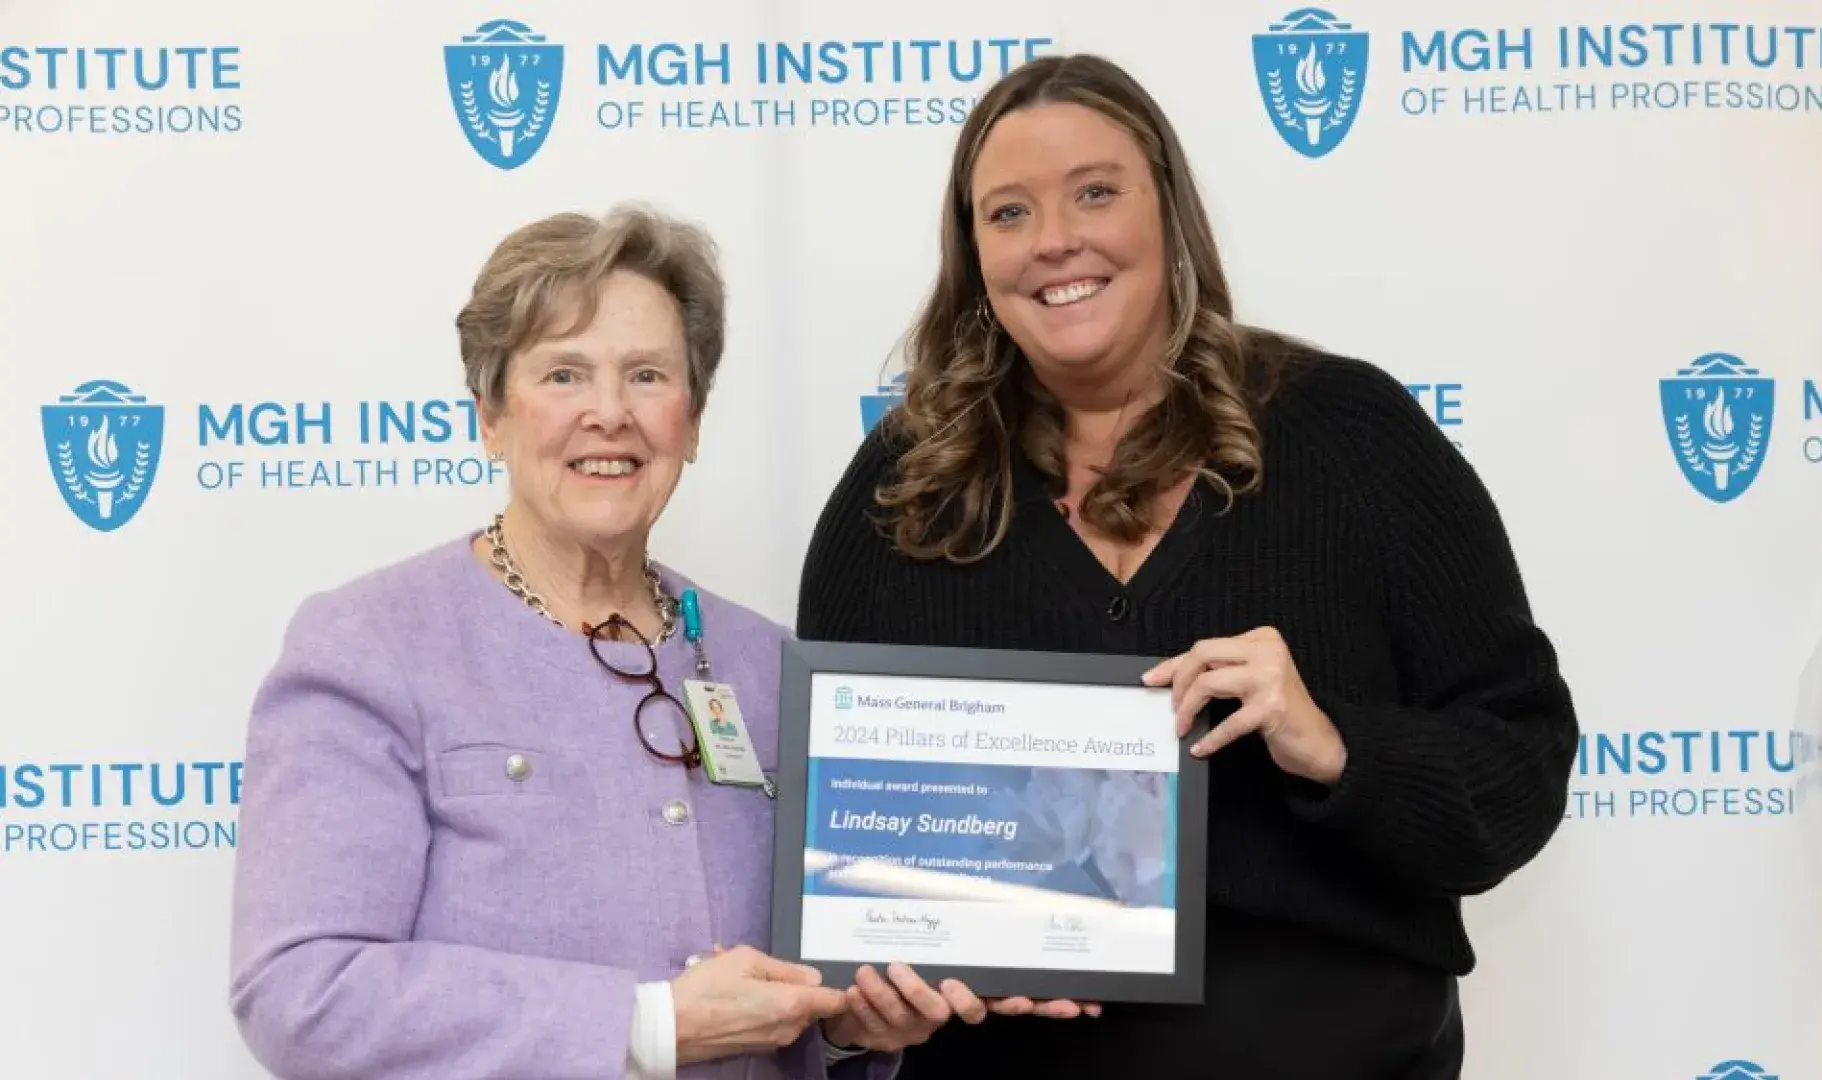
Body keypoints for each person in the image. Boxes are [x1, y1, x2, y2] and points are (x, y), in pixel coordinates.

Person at [795, 54, 1580, 1079]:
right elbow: (842, 844)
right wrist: (869, 992)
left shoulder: (1353, 438)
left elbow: (1518, 770)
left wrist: (1335, 741)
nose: (1056, 240)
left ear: (1169, 215)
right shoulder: (902, 488)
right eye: (1009, 213)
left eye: (1095, 192)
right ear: (973, 254)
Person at [227, 205, 1038, 1079]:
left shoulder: (768, 666)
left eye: (648, 376)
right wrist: (647, 1024)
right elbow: (301, 992)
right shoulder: (370, 647)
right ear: (490, 416)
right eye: (565, 375)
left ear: (690, 423)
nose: (609, 414)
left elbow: (792, 1014)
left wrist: (848, 1030)